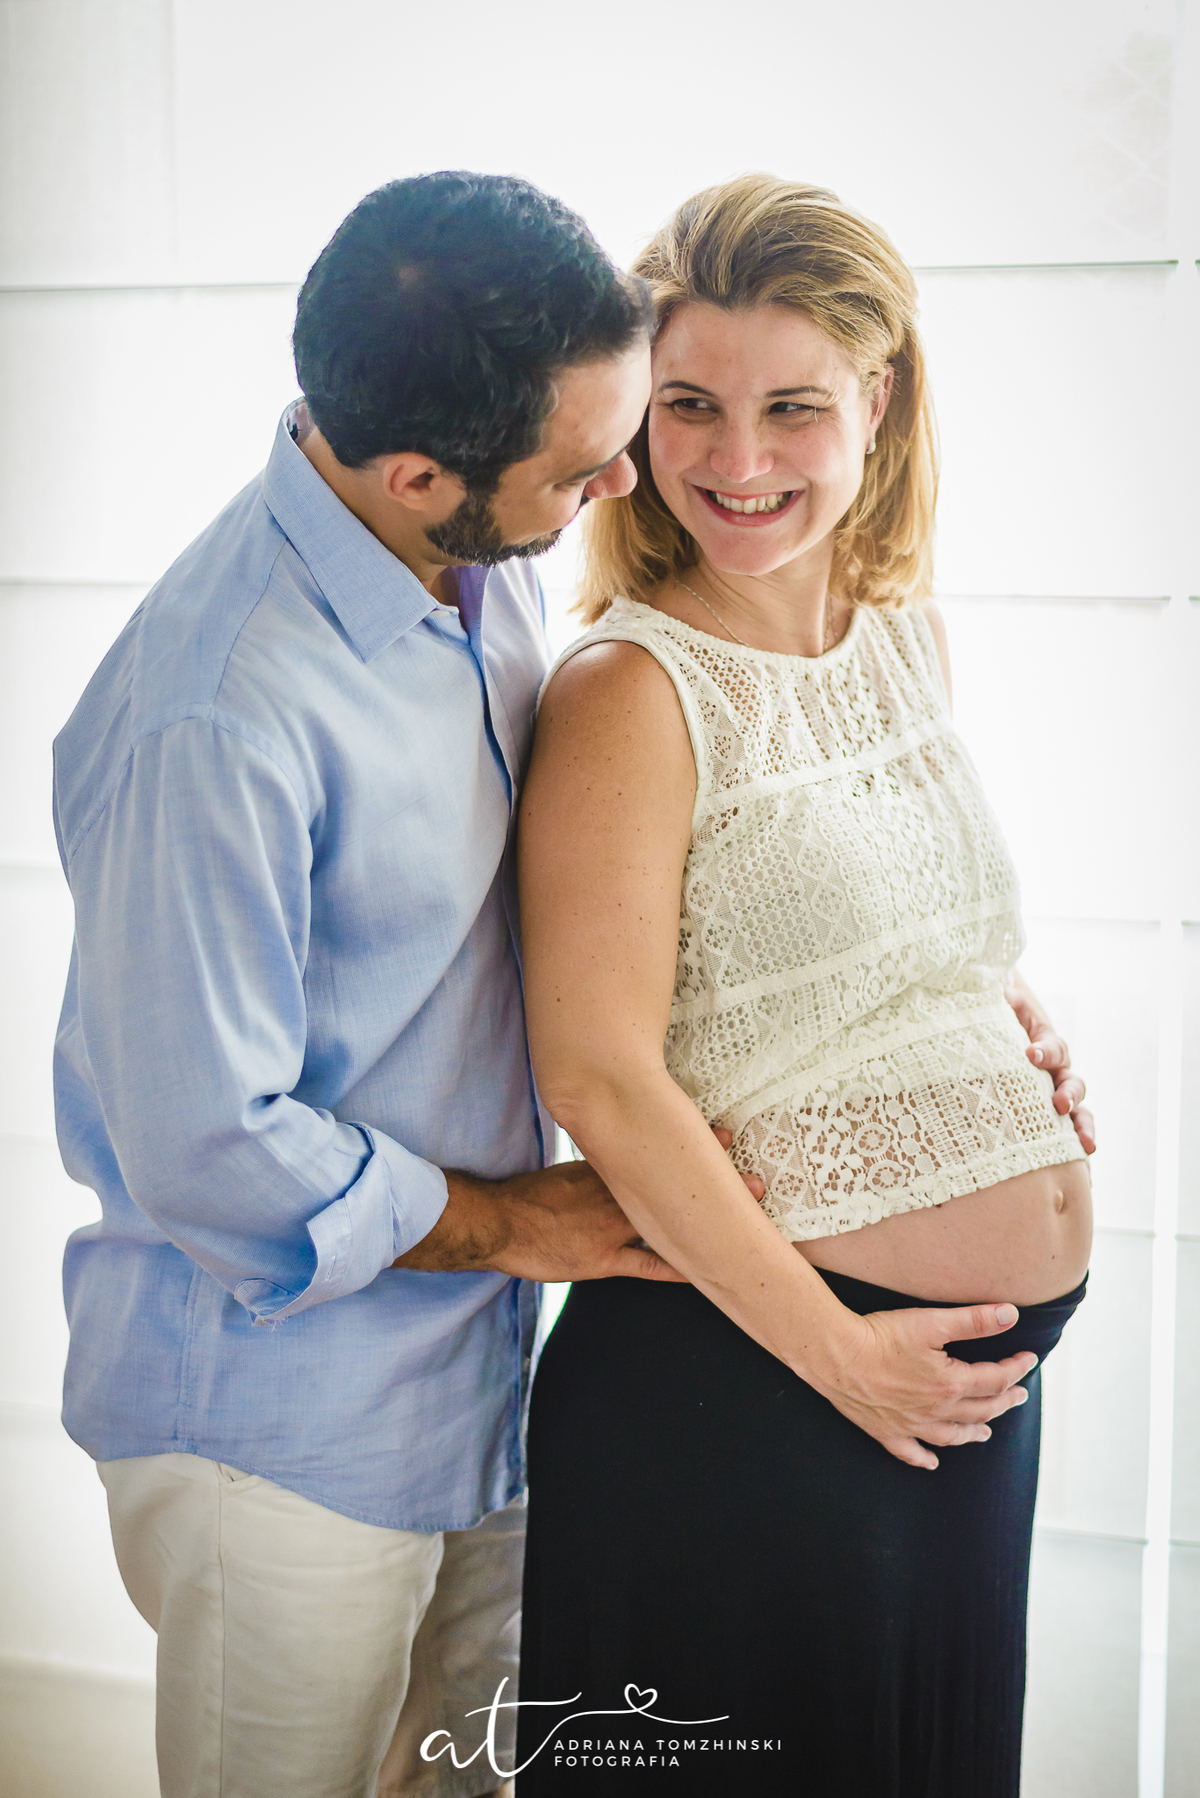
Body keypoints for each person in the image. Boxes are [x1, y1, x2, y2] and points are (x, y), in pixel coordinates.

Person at [51, 170, 668, 1798]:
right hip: (277, 1435)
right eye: (582, 465)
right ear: (417, 478)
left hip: (478, 1380)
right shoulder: (215, 714)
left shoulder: (478, 550)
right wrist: (522, 1222)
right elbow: (212, 1144)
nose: (624, 479)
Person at [515, 175, 1095, 1797]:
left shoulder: (904, 633)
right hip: (754, 1393)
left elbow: (876, 935)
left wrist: (1000, 1022)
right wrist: (842, 1357)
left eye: (792, 407)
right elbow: (597, 1073)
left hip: (949, 1410)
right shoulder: (630, 690)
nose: (737, 457)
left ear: (879, 402)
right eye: (689, 404)